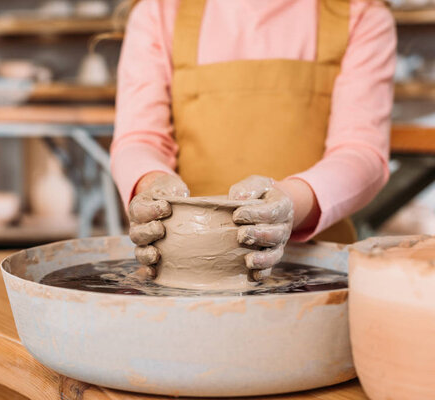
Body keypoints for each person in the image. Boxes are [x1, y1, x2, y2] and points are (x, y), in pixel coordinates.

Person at [110, 0, 396, 280]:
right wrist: (148, 182)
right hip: (186, 271)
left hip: (314, 269)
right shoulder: (160, 11)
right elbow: (140, 138)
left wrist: (291, 204)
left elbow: (362, 151)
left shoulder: (360, 14)